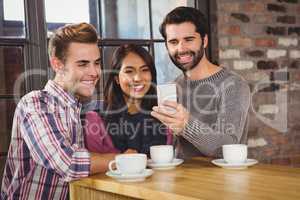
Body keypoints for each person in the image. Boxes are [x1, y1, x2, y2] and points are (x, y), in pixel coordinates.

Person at [1, 23, 118, 199]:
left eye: (97, 63)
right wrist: (123, 160)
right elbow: (68, 163)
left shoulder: (74, 107)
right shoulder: (35, 103)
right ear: (57, 64)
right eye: (83, 64)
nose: (94, 72)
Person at [151, 7, 251, 158]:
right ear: (167, 46)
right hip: (180, 178)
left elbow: (227, 148)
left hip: (222, 180)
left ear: (204, 41)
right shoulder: (173, 87)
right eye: (173, 42)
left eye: (189, 40)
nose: (181, 49)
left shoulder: (233, 85)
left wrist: (186, 125)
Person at [83, 44, 172, 156]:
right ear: (116, 79)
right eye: (129, 71)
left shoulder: (164, 114)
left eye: (144, 70)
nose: (138, 78)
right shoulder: (95, 119)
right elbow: (92, 164)